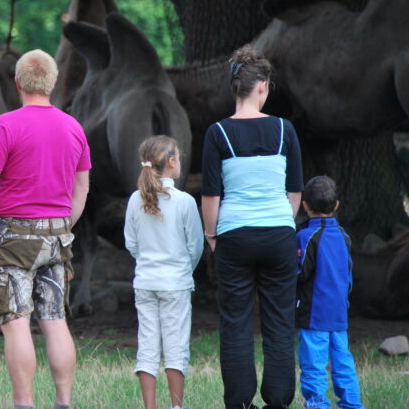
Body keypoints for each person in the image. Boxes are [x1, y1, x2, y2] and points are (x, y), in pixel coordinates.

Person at [0, 49, 91, 409]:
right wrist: (63, 227)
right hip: (58, 235)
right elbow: (81, 188)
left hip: (14, 237)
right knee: (55, 318)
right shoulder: (73, 127)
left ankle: (24, 404)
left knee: (16, 320)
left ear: (17, 82)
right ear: (53, 82)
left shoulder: (6, 125)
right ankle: (63, 402)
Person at [201, 46, 303, 409]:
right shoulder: (284, 129)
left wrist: (212, 235)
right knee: (280, 321)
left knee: (235, 322)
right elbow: (294, 191)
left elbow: (211, 195)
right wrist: (282, 223)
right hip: (278, 234)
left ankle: (240, 401)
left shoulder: (218, 133)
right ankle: (278, 400)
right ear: (262, 86)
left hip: (234, 236)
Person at [124, 135, 203, 409]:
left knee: (147, 344)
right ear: (171, 162)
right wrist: (184, 269)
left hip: (145, 282)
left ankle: (150, 406)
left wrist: (147, 262)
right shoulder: (184, 201)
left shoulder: (135, 199)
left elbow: (131, 243)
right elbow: (195, 246)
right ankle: (176, 406)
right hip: (176, 283)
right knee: (175, 346)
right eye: (178, 157)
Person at [296, 176, 363, 409]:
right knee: (343, 362)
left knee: (313, 365)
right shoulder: (344, 236)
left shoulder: (305, 237)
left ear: (305, 205)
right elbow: (348, 274)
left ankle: (317, 404)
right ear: (336, 205)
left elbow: (299, 273)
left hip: (314, 315)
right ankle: (352, 404)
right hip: (339, 313)